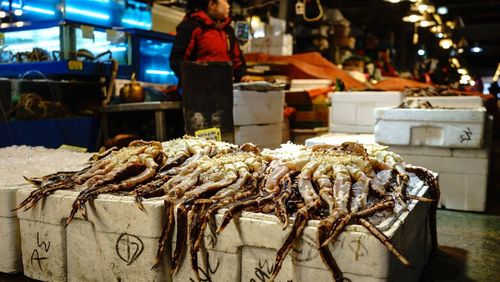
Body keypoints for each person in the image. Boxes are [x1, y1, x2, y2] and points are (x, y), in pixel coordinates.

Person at [169, 0, 251, 83]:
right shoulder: (191, 26)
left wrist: (243, 75)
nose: (228, 5)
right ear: (212, 4)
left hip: (225, 89)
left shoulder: (228, 31)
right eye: (225, 1)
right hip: (197, 91)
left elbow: (237, 61)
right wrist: (193, 80)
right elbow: (178, 59)